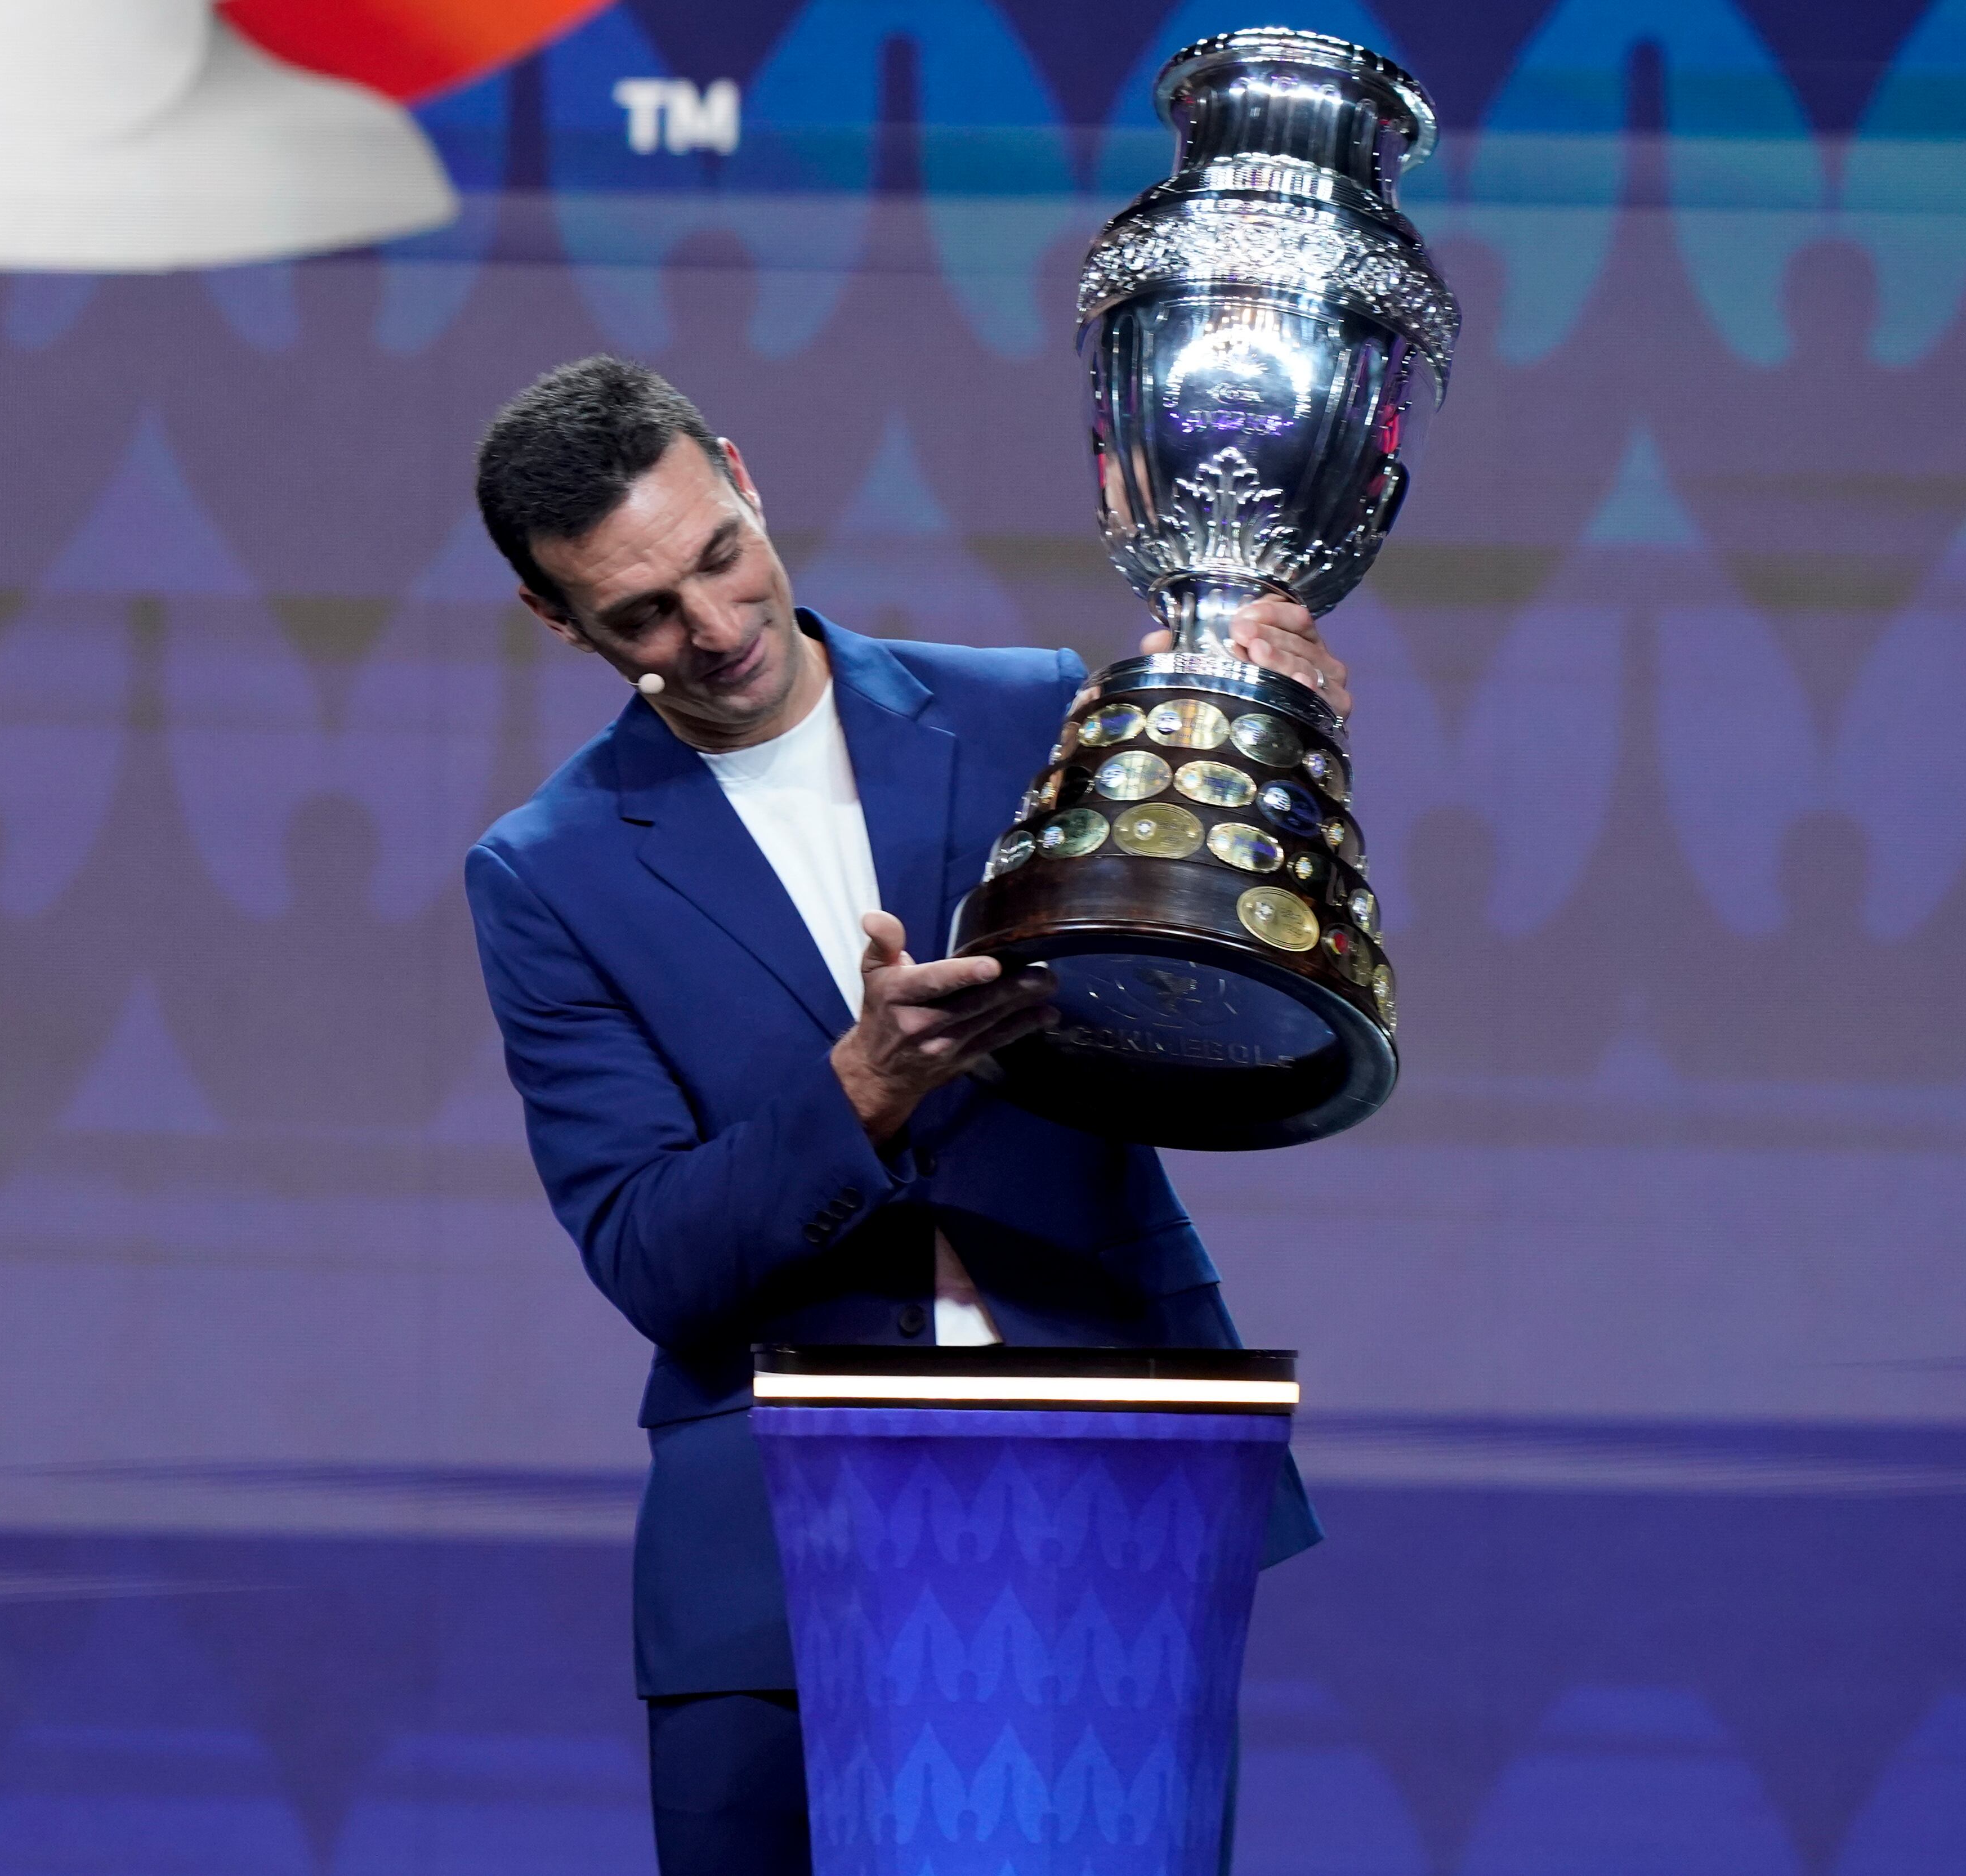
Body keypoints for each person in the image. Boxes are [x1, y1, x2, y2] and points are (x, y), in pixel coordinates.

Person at [463, 356, 1333, 1876]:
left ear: (743, 473)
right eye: (642, 617)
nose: (716, 629)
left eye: (721, 557)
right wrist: (867, 1089)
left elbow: (1223, 1027)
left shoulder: (1035, 713)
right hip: (777, 1542)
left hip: (1109, 1474)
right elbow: (652, 1256)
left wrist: (1270, 758)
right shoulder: (549, 872)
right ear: (556, 619)